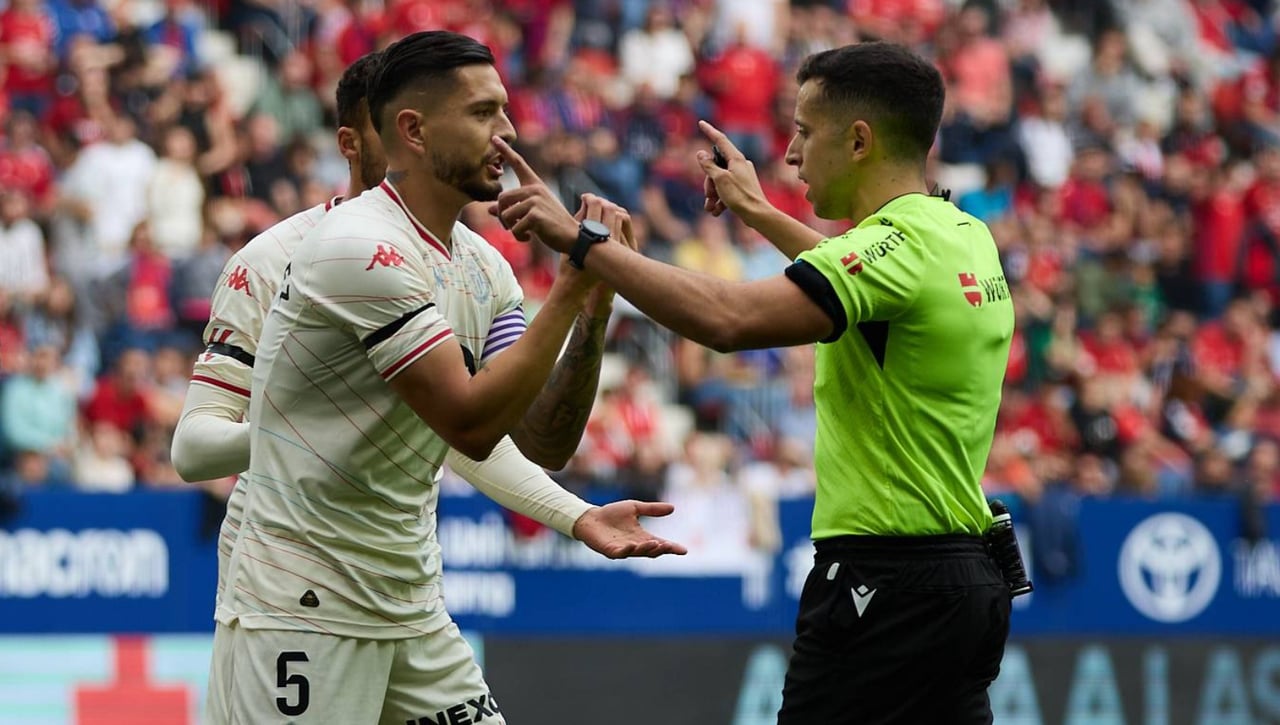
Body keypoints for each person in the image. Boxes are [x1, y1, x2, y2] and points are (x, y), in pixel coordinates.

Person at [496, 41, 1014, 723]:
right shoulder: (960, 232)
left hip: (885, 583)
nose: (791, 153)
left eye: (803, 131)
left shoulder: (898, 247)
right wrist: (759, 212)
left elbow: (728, 319)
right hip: (965, 580)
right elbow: (853, 281)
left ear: (858, 140)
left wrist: (585, 246)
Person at [192, 37, 684, 724]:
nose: (508, 133)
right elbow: (469, 422)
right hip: (303, 606)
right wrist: (572, 282)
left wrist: (594, 307)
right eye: (483, 113)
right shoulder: (354, 248)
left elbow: (536, 437)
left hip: (410, 604)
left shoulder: (483, 268)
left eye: (505, 111)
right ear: (412, 132)